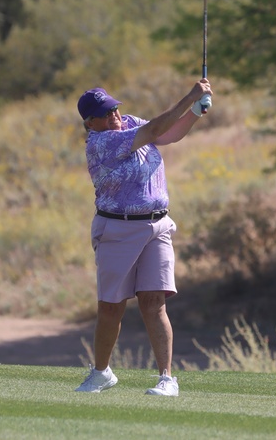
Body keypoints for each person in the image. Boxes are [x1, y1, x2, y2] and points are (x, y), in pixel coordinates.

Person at [74, 79, 213, 397]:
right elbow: (153, 130)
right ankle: (101, 373)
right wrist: (190, 96)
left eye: (114, 108)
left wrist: (194, 112)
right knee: (111, 307)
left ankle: (167, 378)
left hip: (157, 225)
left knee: (154, 303)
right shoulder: (101, 143)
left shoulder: (129, 123)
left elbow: (167, 134)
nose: (114, 115)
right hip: (117, 229)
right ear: (90, 123)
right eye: (105, 114)